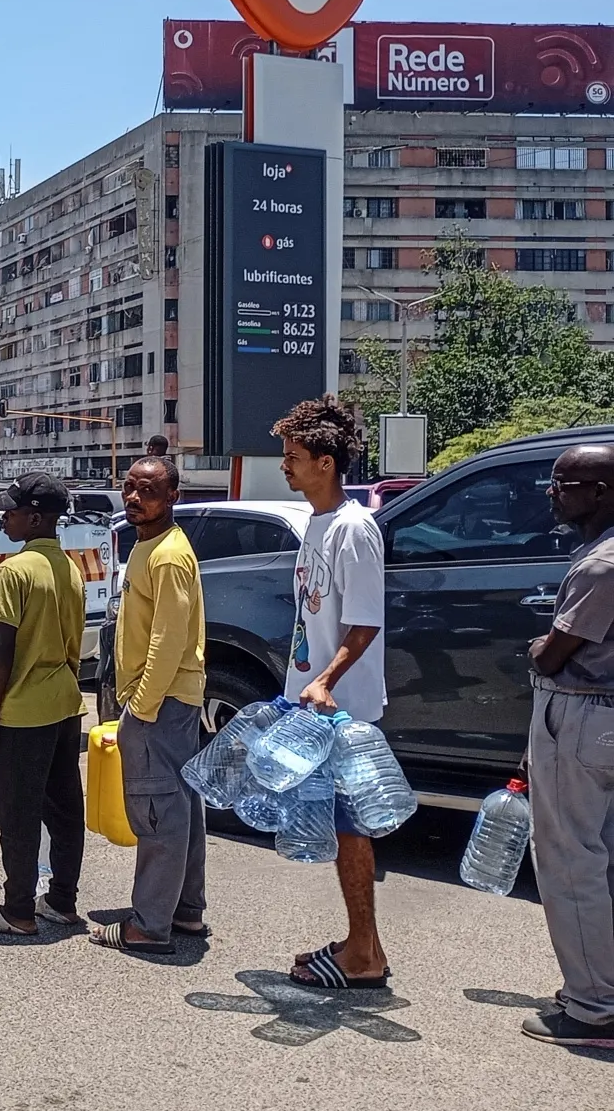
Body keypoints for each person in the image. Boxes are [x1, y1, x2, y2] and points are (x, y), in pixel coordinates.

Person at [272, 396, 391, 989]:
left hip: (345, 709)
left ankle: (364, 954)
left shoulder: (354, 528)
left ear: (325, 463)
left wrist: (326, 679)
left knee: (351, 828)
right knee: (341, 828)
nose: (285, 466)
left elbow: (365, 621)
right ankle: (361, 943)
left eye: (293, 457)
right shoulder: (316, 524)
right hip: (315, 704)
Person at [91, 456, 208, 954]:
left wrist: (140, 705)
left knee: (159, 809)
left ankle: (149, 925)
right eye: (130, 488)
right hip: (168, 702)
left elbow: (168, 636)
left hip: (160, 703)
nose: (135, 498)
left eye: (149, 490)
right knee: (180, 804)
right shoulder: (147, 547)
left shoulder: (167, 555)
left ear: (173, 497)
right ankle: (183, 912)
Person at [0, 472, 87, 936]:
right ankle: (62, 900)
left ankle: (16, 910)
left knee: (16, 813)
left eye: (11, 512)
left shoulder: (16, 569)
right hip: (64, 702)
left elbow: (2, 648)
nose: (4, 518)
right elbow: (76, 642)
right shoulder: (70, 567)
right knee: (64, 810)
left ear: (34, 517)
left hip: (24, 708)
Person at [523, 443, 614, 1049]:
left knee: (570, 860)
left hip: (583, 714)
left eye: (563, 483)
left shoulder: (601, 566)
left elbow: (554, 654)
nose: (553, 492)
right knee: (600, 856)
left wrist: (538, 646)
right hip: (599, 720)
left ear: (600, 493)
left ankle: (592, 1009)